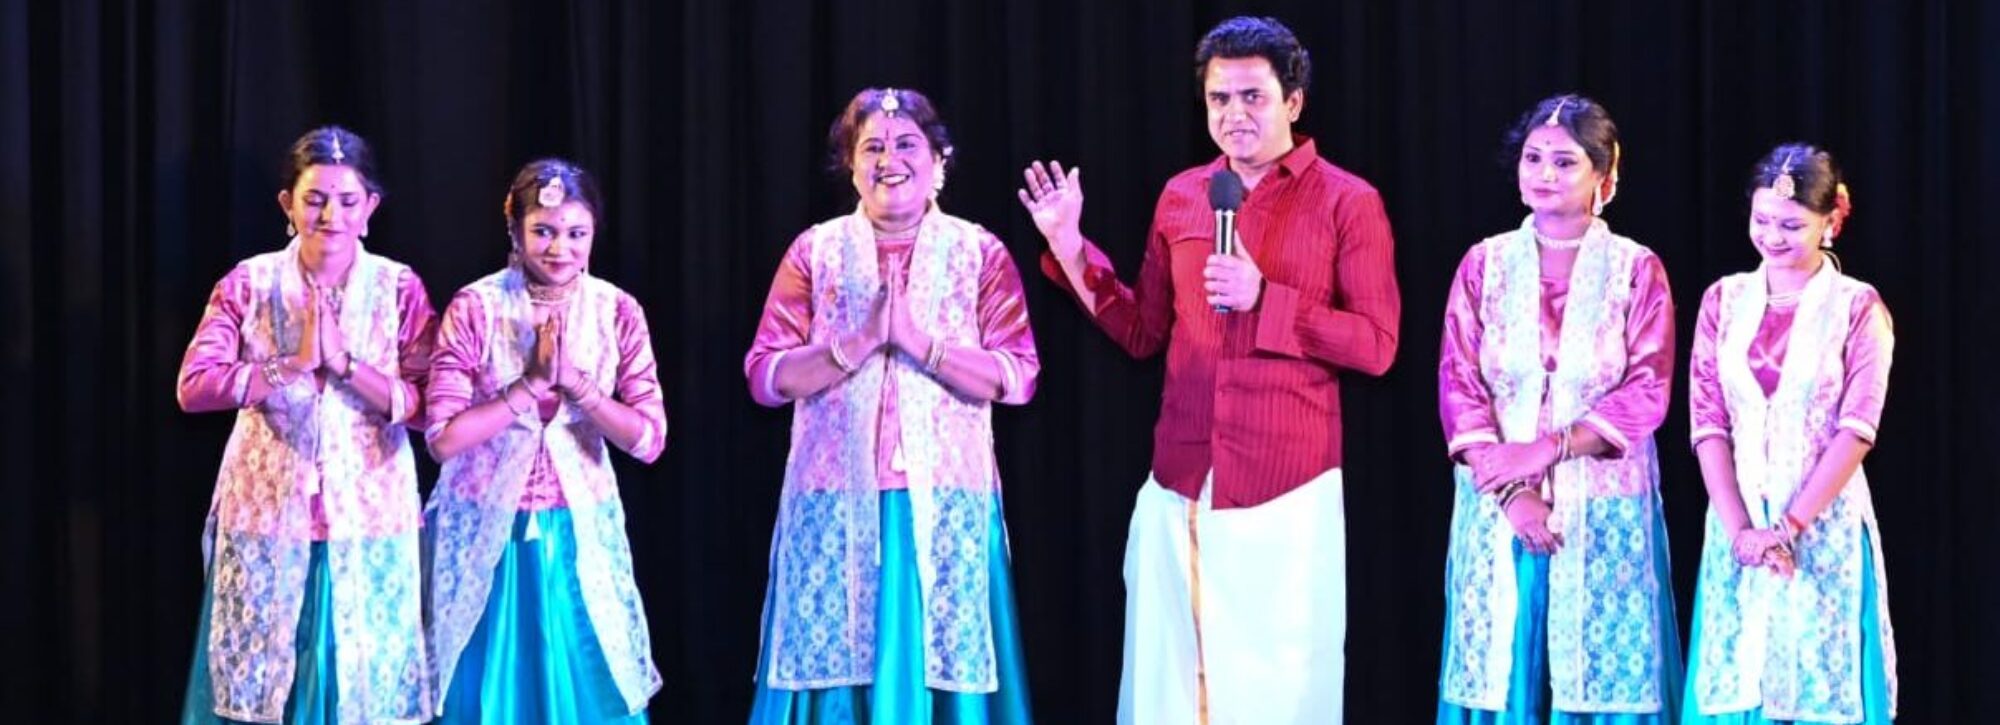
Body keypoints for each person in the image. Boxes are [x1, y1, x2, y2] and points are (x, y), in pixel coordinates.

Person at [1017, 16, 1399, 724]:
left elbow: (1377, 344)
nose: (1233, 114)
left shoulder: (1348, 201)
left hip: (1286, 485)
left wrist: (1267, 299)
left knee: (1278, 696)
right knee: (1171, 691)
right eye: (1219, 98)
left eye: (1253, 97)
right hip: (1182, 481)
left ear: (1293, 101)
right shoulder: (1184, 194)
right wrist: (1069, 246)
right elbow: (1142, 331)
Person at [744, 87, 1039, 724]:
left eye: (906, 145)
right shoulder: (815, 251)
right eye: (871, 147)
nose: (888, 160)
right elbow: (765, 377)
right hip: (832, 495)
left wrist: (920, 345)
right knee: (831, 665)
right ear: (850, 167)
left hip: (945, 497)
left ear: (939, 161)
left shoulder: (978, 252)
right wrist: (855, 344)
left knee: (941, 660)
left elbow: (1017, 377)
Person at [1434, 93, 1683, 724]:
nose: (1544, 174)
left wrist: (1548, 449)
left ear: (1604, 174)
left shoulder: (1635, 270)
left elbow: (1647, 388)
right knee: (1497, 673)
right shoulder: (1484, 265)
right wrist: (1513, 491)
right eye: (1533, 158)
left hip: (1602, 505)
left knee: (1605, 675)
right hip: (1498, 508)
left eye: (1565, 162)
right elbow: (1460, 384)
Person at [175, 125, 436, 723]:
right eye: (314, 199)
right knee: (260, 679)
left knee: (360, 684)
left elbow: (430, 408)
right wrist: (291, 363)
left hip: (369, 514)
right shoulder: (249, 283)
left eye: (347, 200)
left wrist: (344, 365)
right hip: (268, 511)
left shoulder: (399, 288)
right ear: (287, 205)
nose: (330, 215)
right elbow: (194, 387)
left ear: (370, 208)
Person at [423, 159, 668, 723]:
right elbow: (442, 438)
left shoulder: (616, 311)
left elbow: (649, 439)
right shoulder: (476, 307)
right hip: (487, 530)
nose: (560, 248)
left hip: (580, 533)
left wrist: (578, 386)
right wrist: (530, 385)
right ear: (514, 229)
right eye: (544, 231)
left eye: (576, 233)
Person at [1681, 143, 1897, 724]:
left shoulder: (1857, 307)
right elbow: (1708, 422)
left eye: (1792, 225)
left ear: (1832, 222)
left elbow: (1857, 429)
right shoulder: (1723, 300)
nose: (1772, 236)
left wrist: (1786, 528)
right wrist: (1742, 533)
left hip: (1822, 525)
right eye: (1762, 220)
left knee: (1819, 686)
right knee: (1739, 681)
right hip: (1739, 526)